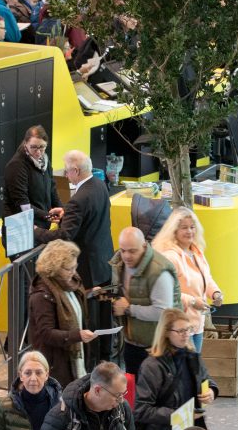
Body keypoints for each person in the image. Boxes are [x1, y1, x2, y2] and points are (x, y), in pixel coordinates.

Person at [34, 150, 115, 365]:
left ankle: (90, 363)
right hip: (103, 262)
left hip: (87, 267)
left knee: (89, 319)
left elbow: (65, 235)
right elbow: (88, 219)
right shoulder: (99, 185)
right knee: (103, 318)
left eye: (67, 171)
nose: (66, 176)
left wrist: (36, 232)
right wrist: (67, 214)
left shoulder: (78, 199)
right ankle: (104, 360)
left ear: (76, 171)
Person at [135, 309, 216, 430]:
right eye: (180, 331)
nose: (186, 335)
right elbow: (142, 410)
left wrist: (212, 391)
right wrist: (181, 415)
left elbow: (207, 379)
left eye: (188, 329)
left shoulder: (192, 356)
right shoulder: (152, 366)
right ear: (166, 333)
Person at [107, 226, 178, 373]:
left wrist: (128, 309)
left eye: (132, 251)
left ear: (144, 246)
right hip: (131, 343)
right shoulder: (118, 263)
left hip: (158, 347)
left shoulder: (159, 271)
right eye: (123, 250)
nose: (126, 256)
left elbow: (163, 312)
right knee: (134, 391)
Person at [153, 207, 223, 354]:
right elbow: (168, 293)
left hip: (197, 324)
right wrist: (192, 301)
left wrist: (215, 293)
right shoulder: (170, 257)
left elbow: (206, 278)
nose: (189, 231)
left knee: (193, 368)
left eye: (192, 227)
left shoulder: (196, 252)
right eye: (184, 228)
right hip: (180, 329)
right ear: (174, 231)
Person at [28, 239, 96, 386]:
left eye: (75, 266)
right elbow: (46, 333)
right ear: (54, 268)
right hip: (56, 365)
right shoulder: (42, 295)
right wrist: (77, 335)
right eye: (68, 268)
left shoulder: (71, 284)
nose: (73, 272)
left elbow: (73, 308)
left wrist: (89, 294)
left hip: (73, 360)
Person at [2, 125, 62, 242]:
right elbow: (22, 204)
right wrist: (48, 216)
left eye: (42, 147)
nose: (38, 152)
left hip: (40, 225)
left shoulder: (44, 160)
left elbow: (52, 189)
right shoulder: (17, 165)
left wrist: (60, 209)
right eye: (33, 147)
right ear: (25, 144)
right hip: (19, 228)